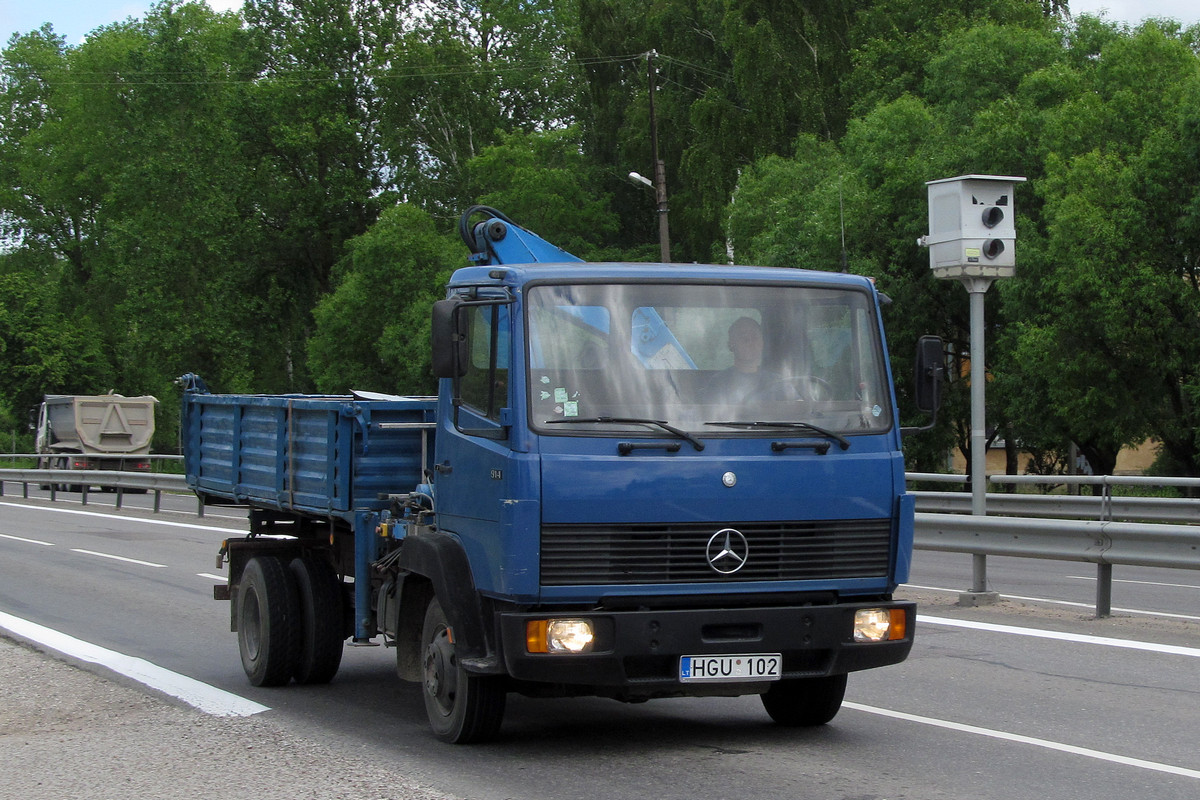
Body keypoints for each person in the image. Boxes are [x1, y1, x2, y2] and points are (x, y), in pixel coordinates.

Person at [705, 316, 771, 403]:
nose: (749, 341)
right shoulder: (718, 383)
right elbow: (710, 414)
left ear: (762, 343)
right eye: (743, 337)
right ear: (730, 345)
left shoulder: (778, 383)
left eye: (755, 337)